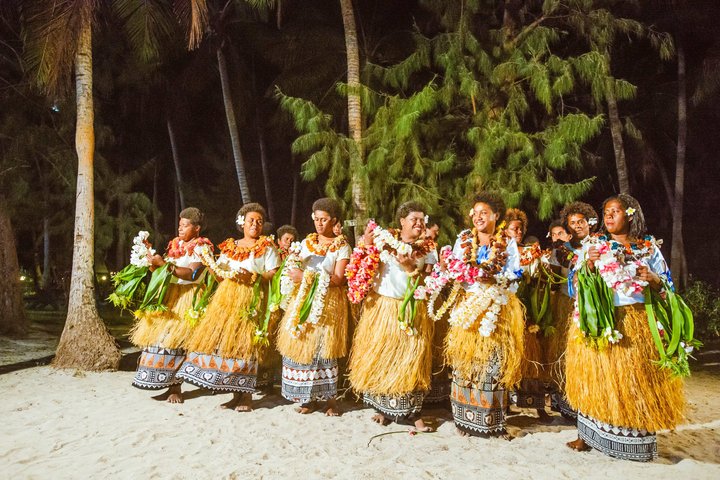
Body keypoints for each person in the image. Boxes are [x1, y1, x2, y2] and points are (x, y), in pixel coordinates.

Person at [565, 194, 684, 461]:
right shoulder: (594, 245)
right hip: (602, 322)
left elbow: (667, 284)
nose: (608, 216)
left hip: (638, 322)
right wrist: (590, 265)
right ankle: (587, 436)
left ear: (629, 215)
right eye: (606, 211)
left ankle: (634, 440)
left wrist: (653, 280)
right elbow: (574, 284)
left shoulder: (648, 248)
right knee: (598, 377)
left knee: (635, 379)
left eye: (615, 211)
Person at [177, 203, 280, 412]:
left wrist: (255, 276)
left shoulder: (267, 247)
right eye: (251, 220)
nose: (255, 224)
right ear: (242, 222)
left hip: (252, 299)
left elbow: (274, 273)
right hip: (227, 300)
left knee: (248, 347)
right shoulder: (230, 246)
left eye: (259, 221)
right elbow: (220, 275)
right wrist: (209, 264)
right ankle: (235, 395)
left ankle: (247, 397)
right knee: (230, 346)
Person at [348, 201, 437, 431]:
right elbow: (363, 267)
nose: (418, 223)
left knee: (411, 360)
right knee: (382, 358)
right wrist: (367, 243)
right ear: (402, 222)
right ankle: (382, 409)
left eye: (421, 219)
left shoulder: (429, 249)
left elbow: (428, 283)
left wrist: (410, 268)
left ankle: (413, 413)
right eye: (413, 219)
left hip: (411, 310)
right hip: (383, 308)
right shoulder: (383, 241)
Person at [441, 193, 524, 437]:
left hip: (496, 309)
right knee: (466, 364)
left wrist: (495, 279)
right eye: (475, 212)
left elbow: (515, 275)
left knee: (492, 366)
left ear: (496, 216)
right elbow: (456, 270)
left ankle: (492, 423)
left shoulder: (506, 241)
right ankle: (464, 421)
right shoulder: (464, 239)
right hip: (468, 309)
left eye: (484, 213)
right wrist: (448, 269)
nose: (478, 217)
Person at [276, 198, 351, 416]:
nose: (319, 224)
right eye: (316, 219)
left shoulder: (342, 246)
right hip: (303, 299)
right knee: (304, 343)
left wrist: (306, 275)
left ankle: (330, 401)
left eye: (324, 219)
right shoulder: (307, 243)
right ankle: (307, 399)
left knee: (325, 348)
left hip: (329, 303)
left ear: (334, 220)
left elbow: (338, 279)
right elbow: (295, 266)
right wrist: (294, 272)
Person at [130, 207, 212, 404]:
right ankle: (168, 386)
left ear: (197, 228)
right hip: (169, 296)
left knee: (176, 343)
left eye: (185, 225)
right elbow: (161, 270)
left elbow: (192, 274)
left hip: (187, 298)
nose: (180, 228)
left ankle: (176, 389)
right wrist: (150, 258)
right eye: (179, 224)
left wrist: (165, 265)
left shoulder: (203, 248)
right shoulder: (174, 245)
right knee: (159, 341)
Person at [546, 201, 598, 419]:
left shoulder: (599, 245)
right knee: (565, 352)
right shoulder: (562, 250)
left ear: (589, 222)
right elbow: (554, 278)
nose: (577, 226)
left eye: (581, 221)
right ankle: (565, 402)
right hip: (567, 304)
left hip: (593, 306)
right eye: (572, 223)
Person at [505, 208, 551, 422]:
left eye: (521, 228)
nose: (519, 232)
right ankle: (504, 404)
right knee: (508, 358)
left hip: (529, 309)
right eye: (515, 228)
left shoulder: (530, 250)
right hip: (508, 309)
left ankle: (537, 405)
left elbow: (539, 276)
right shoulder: (501, 251)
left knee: (531, 359)